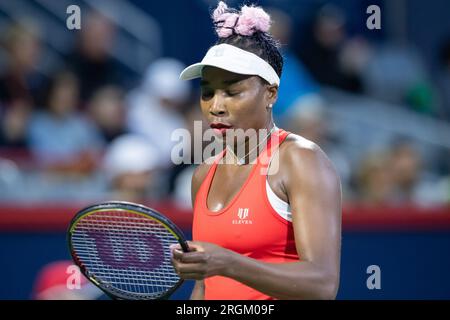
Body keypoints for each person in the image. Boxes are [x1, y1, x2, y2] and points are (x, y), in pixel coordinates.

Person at [171, 2, 341, 300]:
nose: (216, 106)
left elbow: (322, 284)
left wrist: (228, 263)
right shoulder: (202, 175)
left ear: (270, 94)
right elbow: (204, 287)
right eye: (207, 92)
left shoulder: (300, 159)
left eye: (233, 92)